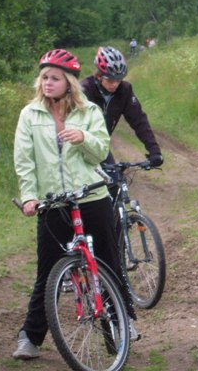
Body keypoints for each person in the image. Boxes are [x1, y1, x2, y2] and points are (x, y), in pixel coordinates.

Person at [12, 49, 139, 361]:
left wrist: (83, 137)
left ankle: (121, 325)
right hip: (52, 203)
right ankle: (30, 338)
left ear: (69, 82)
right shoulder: (30, 114)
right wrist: (29, 196)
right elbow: (24, 161)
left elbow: (100, 152)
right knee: (47, 274)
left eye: (55, 78)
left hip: (91, 197)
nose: (48, 83)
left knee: (108, 263)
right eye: (44, 77)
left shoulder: (89, 112)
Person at [81, 46, 163, 170]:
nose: (115, 84)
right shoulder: (85, 90)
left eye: (119, 80)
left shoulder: (124, 90)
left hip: (101, 147)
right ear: (99, 75)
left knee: (114, 179)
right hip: (80, 145)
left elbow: (139, 120)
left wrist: (154, 150)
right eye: (110, 80)